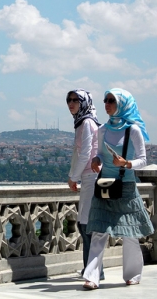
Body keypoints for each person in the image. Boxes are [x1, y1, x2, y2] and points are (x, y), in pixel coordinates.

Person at [83, 88, 154, 290]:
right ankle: (92, 277)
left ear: (122, 104)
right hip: (105, 185)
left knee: (130, 233)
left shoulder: (133, 130)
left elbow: (143, 160)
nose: (106, 104)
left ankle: (133, 274)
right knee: (98, 231)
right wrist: (97, 160)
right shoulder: (102, 130)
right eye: (105, 100)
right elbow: (99, 155)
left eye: (111, 100)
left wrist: (126, 164)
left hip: (126, 186)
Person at [66, 89, 104, 280]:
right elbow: (78, 153)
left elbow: (85, 153)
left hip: (92, 177)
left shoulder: (87, 123)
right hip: (87, 177)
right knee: (86, 223)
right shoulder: (82, 122)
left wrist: (74, 177)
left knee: (87, 223)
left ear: (84, 102)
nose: (71, 103)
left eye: (75, 100)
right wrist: (73, 176)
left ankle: (93, 269)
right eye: (69, 100)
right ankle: (92, 268)